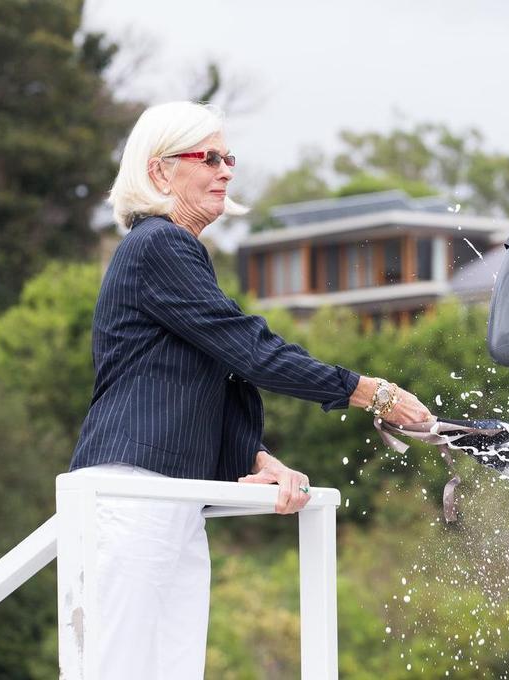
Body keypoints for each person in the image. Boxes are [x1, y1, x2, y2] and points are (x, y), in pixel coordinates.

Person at [67, 101, 433, 679]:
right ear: (160, 172)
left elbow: (202, 377)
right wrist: (368, 392)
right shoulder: (160, 245)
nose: (226, 169)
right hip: (133, 493)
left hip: (169, 497)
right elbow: (251, 350)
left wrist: (254, 459)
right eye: (208, 157)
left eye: (228, 157)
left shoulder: (177, 253)